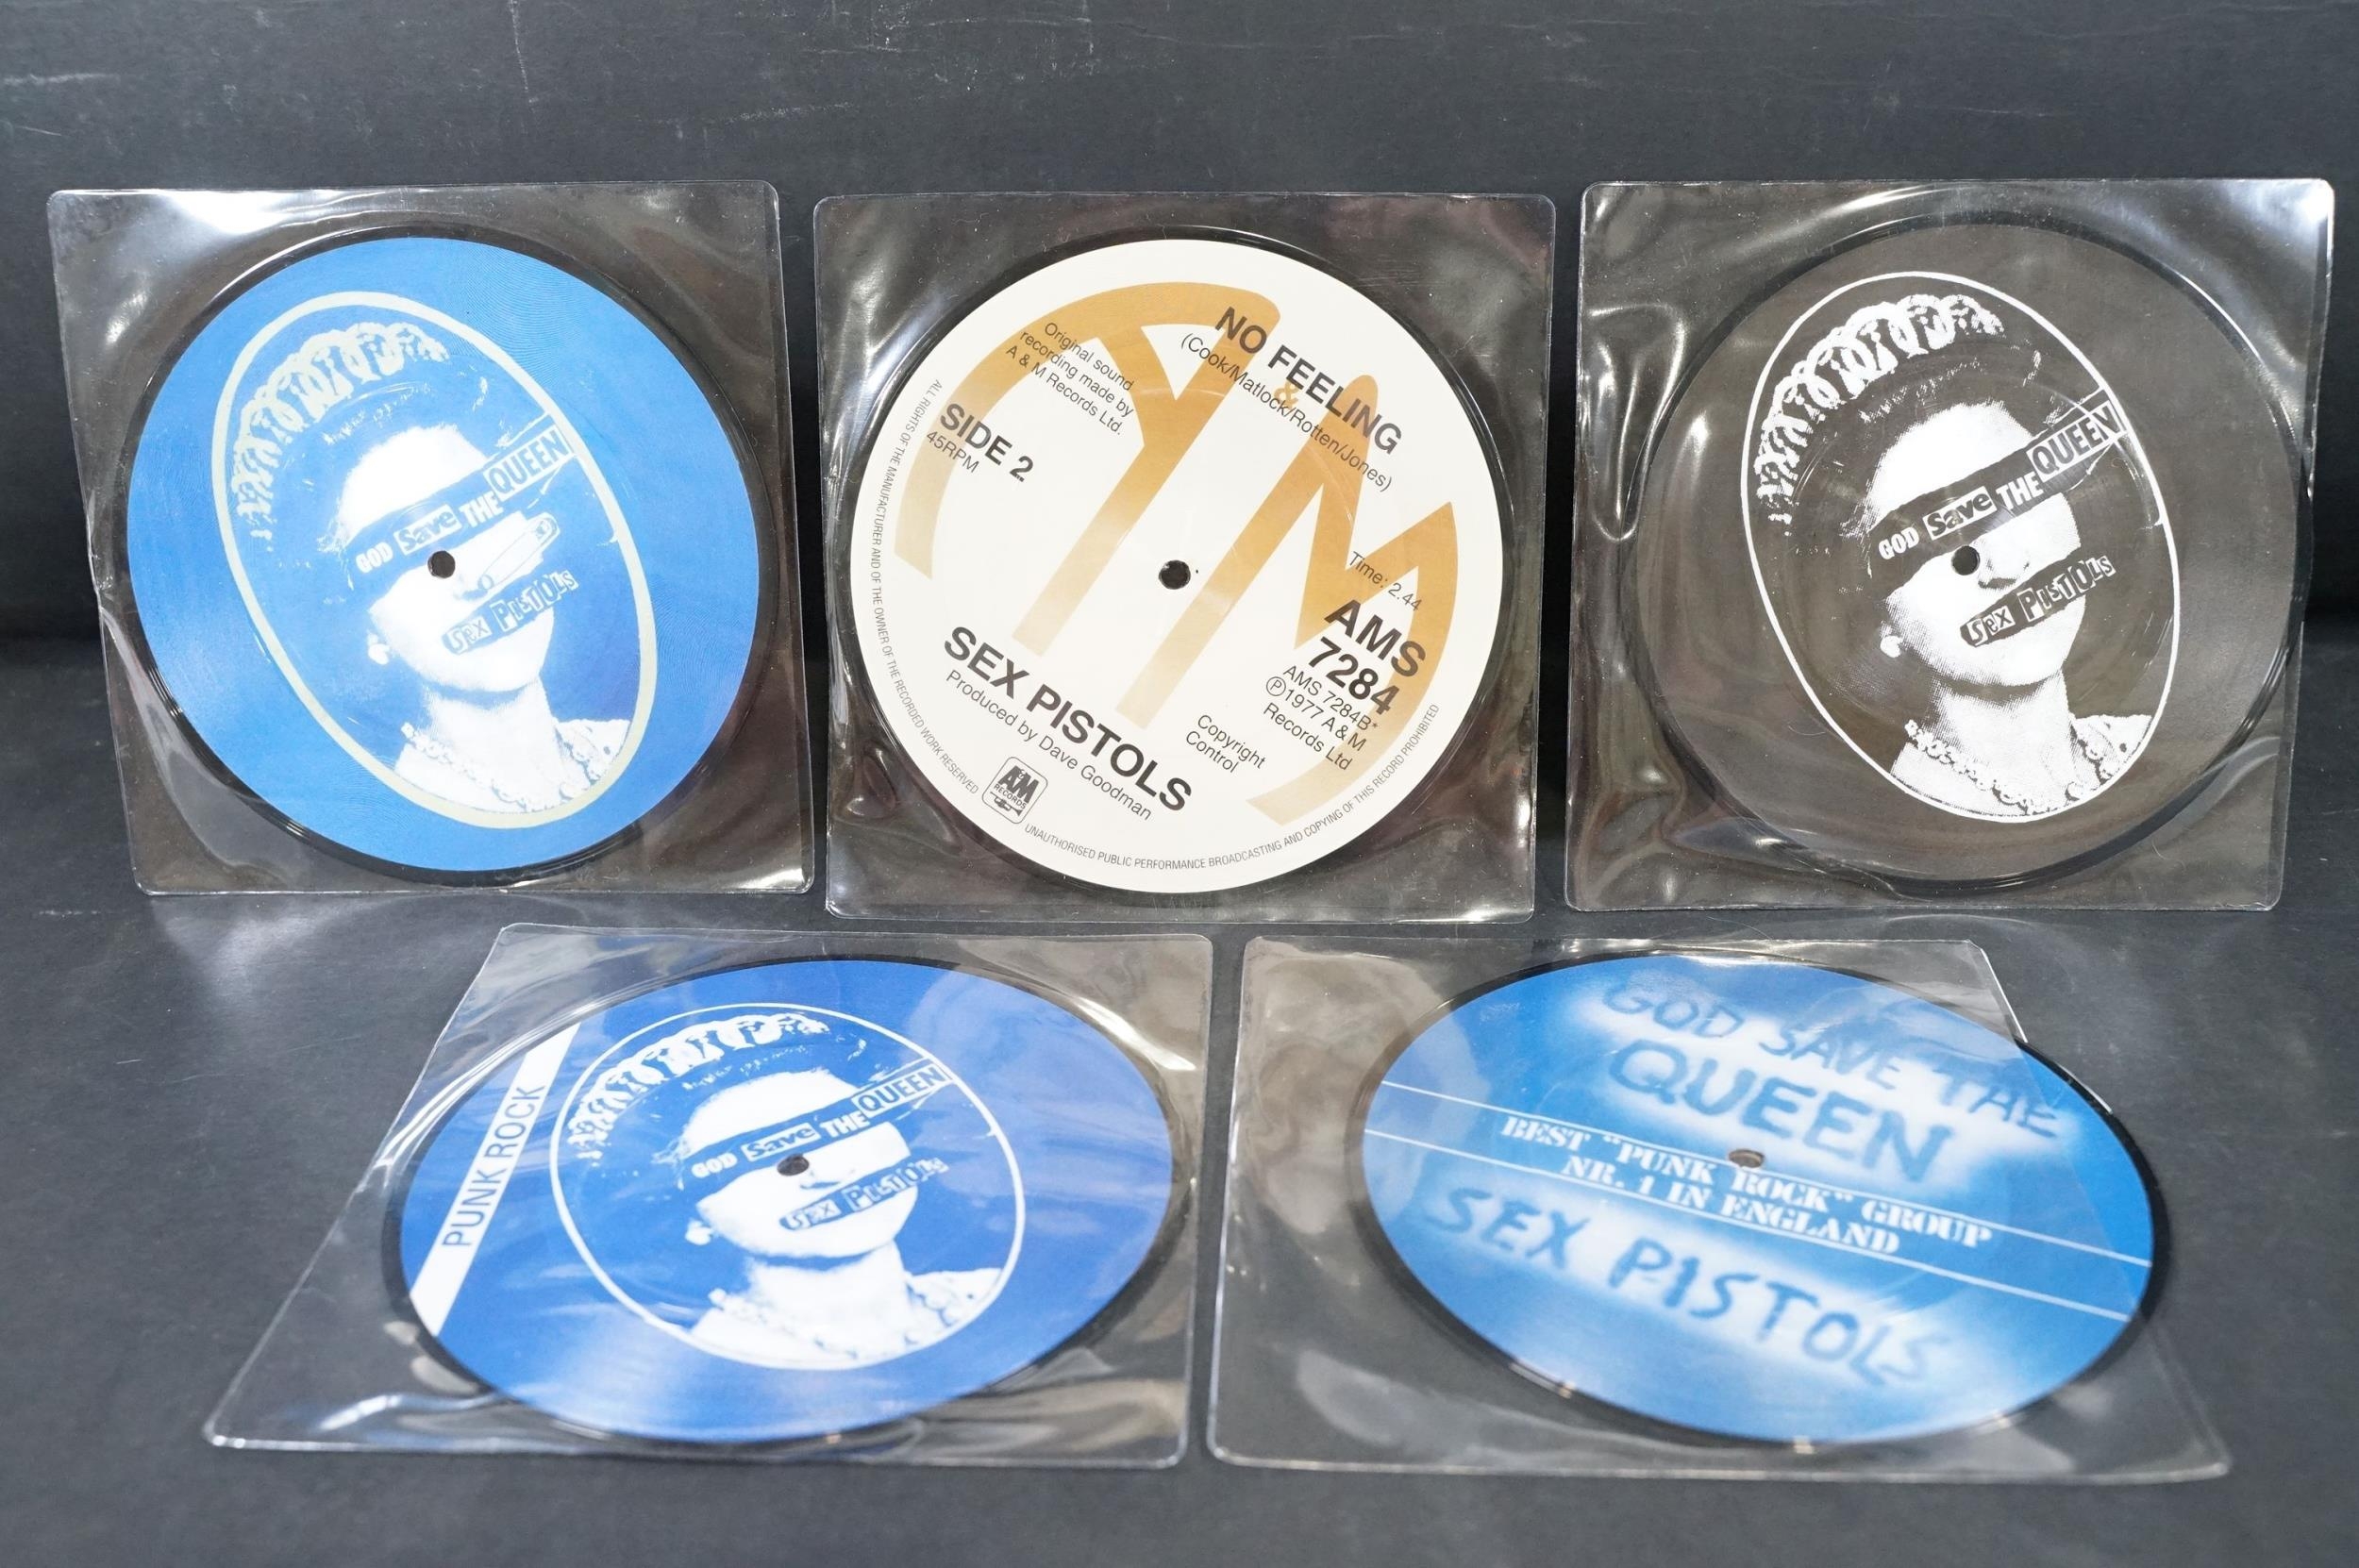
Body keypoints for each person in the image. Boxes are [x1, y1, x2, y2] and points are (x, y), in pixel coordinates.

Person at [1753, 292, 2151, 818]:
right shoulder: (1890, 820)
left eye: (2022, 499)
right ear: (1879, 616)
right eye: (1941, 545)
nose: (2007, 566)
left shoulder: (2143, 744)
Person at [225, 318, 628, 813]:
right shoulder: (391, 817)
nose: (477, 576)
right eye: (421, 558)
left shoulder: (621, 744)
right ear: (367, 631)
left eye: (484, 516)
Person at [676, 1061, 999, 1368]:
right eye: (774, 1161)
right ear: (694, 1222)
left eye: (848, 1129)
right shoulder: (710, 1365)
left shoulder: (987, 1289)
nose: (832, 1173)